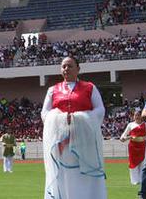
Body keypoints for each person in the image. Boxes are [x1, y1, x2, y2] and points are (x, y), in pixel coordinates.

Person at [41, 56, 106, 199]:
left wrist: (78, 119)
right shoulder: (53, 90)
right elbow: (45, 113)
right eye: (63, 66)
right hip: (62, 143)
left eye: (70, 66)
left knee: (85, 177)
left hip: (85, 141)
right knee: (65, 176)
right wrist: (61, 119)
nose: (66, 69)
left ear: (78, 69)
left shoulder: (89, 87)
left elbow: (100, 110)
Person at [120, 110, 146, 185]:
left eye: (138, 115)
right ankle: (134, 180)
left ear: (141, 116)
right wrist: (124, 138)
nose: (137, 117)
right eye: (135, 115)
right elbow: (124, 135)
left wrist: (145, 137)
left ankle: (142, 179)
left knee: (142, 163)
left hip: (142, 146)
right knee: (133, 163)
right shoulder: (130, 124)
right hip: (133, 147)